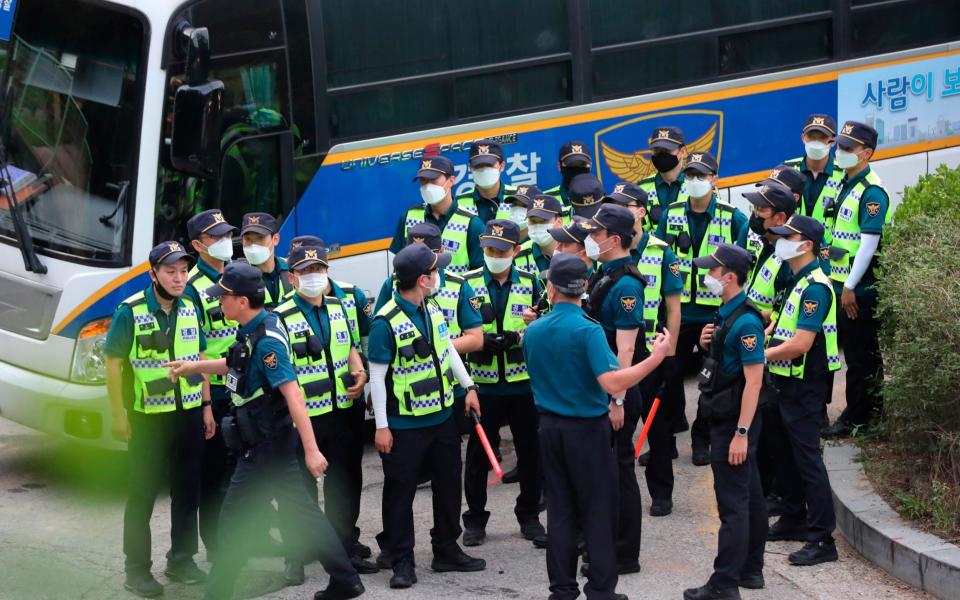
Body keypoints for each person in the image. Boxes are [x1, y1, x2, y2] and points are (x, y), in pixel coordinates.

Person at [165, 262, 364, 600]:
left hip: (265, 444)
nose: (218, 303)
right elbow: (235, 363)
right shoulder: (253, 327)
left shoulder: (268, 339)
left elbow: (294, 395)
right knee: (305, 513)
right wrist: (194, 367)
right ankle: (346, 579)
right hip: (264, 441)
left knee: (231, 520)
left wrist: (312, 450)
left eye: (223, 297)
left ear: (242, 301)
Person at [525, 253, 670, 600]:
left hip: (549, 427)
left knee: (560, 512)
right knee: (597, 512)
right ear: (585, 287)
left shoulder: (533, 330)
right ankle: (601, 590)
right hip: (587, 433)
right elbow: (614, 383)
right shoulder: (588, 331)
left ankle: (562, 589)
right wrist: (656, 357)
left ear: (551, 288)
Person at [368, 244, 486, 589]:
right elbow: (377, 377)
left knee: (449, 487)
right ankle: (401, 560)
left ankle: (446, 549)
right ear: (422, 279)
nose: (439, 275)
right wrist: (382, 427)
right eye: (434, 271)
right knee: (400, 493)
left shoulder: (430, 306)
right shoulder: (384, 322)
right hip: (404, 425)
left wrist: (469, 386)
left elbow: (447, 348)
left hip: (441, 416)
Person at [105, 242, 215, 597]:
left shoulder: (190, 306)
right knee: (142, 494)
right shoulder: (130, 311)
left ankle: (182, 560)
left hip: (187, 413)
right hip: (148, 417)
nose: (179, 277)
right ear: (153, 274)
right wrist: (118, 415)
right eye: (170, 271)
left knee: (187, 491)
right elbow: (113, 364)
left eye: (183, 271)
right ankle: (136, 570)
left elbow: (200, 356)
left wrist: (207, 406)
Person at [273, 243, 379, 581]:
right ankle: (297, 555)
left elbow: (349, 346)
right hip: (302, 417)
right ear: (292, 278)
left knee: (344, 485)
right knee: (298, 489)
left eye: (318, 270)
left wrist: (360, 373)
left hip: (341, 410)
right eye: (305, 272)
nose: (313, 277)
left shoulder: (338, 306)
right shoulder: (279, 316)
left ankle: (344, 547)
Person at [682, 244, 767, 600]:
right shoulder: (728, 315)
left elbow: (754, 380)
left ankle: (724, 584)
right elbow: (723, 366)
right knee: (750, 494)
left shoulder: (746, 321)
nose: (708, 277)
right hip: (729, 415)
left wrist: (741, 434)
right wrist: (708, 344)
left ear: (729, 277)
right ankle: (750, 569)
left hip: (734, 420)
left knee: (732, 503)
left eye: (712, 272)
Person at [656, 151, 749, 466]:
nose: (695, 181)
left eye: (702, 175)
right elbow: (658, 261)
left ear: (714, 180)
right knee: (668, 377)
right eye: (691, 175)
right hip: (678, 311)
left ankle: (701, 439)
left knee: (712, 380)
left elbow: (742, 266)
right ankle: (664, 442)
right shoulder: (669, 214)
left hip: (715, 312)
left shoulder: (733, 217)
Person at [461, 219, 545, 547]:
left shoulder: (532, 281)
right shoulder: (466, 283)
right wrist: (482, 341)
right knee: (479, 455)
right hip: (482, 385)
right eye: (488, 249)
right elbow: (454, 332)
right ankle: (475, 521)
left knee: (530, 451)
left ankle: (530, 516)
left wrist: (520, 335)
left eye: (500, 250)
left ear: (516, 250)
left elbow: (547, 322)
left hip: (522, 382)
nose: (493, 255)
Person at [764, 215, 841, 566]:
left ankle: (823, 539)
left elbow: (801, 343)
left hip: (806, 384)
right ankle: (794, 518)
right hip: (786, 381)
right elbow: (783, 330)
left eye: (786, 236)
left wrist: (756, 355)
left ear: (806, 244)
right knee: (785, 453)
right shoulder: (796, 282)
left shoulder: (815, 287)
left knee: (808, 459)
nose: (778, 240)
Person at [603, 183, 684, 515]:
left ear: (640, 210)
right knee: (616, 425)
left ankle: (661, 491)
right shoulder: (609, 251)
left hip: (649, 353)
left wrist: (671, 355)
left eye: (624, 204)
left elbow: (674, 308)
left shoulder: (662, 252)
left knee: (658, 426)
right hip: (619, 352)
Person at [580, 204, 649, 574]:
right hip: (601, 388)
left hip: (617, 392)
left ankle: (624, 554)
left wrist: (617, 399)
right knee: (603, 472)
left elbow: (625, 348)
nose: (591, 240)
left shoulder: (626, 284)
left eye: (596, 234)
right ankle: (605, 545)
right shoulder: (603, 273)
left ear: (615, 240)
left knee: (620, 471)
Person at [374, 222, 484, 433]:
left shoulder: (446, 295)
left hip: (448, 396)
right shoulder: (390, 296)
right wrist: (381, 423)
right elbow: (379, 363)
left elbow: (465, 342)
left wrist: (468, 385)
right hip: (409, 411)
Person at [822, 121, 890, 438]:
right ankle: (868, 413)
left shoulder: (871, 191)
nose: (841, 152)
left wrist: (849, 286)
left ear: (866, 153)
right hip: (843, 285)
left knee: (862, 358)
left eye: (848, 148)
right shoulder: (846, 183)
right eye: (841, 146)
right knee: (858, 355)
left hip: (858, 290)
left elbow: (868, 243)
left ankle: (858, 420)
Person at [184, 210, 241, 563]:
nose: (224, 241)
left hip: (243, 389)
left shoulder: (235, 275)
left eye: (225, 234)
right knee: (215, 474)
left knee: (240, 472)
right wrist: (206, 404)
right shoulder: (192, 288)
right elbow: (198, 349)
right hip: (217, 393)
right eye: (215, 236)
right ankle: (217, 546)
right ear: (197, 245)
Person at [389, 156, 485, 275]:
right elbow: (399, 266)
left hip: (455, 293)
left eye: (433, 179)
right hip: (418, 291)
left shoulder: (472, 224)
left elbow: (479, 277)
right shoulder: (409, 217)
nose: (427, 186)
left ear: (451, 181)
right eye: (423, 180)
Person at [783, 115, 845, 237]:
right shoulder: (786, 171)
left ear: (832, 142)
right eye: (811, 136)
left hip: (828, 251)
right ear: (803, 138)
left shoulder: (844, 174)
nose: (816, 142)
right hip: (792, 247)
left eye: (822, 137)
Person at [240, 212, 294, 309]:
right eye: (247, 239)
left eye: (260, 238)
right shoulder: (237, 276)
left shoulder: (292, 269)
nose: (253, 245)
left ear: (275, 239)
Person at [638, 126, 688, 231]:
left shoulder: (695, 185)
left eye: (667, 150)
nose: (661, 155)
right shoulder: (642, 188)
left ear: (682, 151)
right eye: (657, 151)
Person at [456, 139, 516, 224]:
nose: (484, 170)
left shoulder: (519, 197)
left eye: (489, 165)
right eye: (479, 166)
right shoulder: (458, 203)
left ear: (502, 166)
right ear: (470, 168)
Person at [515, 192, 564, 277]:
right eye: (533, 221)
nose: (537, 226)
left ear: (559, 222)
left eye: (543, 220)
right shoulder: (518, 254)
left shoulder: (575, 250)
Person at [543, 141, 594, 216]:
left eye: (582, 164)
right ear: (559, 166)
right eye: (571, 164)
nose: (576, 169)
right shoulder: (545, 200)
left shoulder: (601, 200)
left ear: (590, 166)